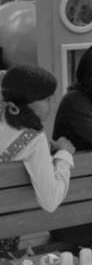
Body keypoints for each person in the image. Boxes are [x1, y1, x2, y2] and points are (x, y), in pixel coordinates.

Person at [0, 65, 75, 215]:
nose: (53, 106)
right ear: (23, 102)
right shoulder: (32, 139)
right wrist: (65, 155)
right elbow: (50, 201)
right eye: (47, 100)